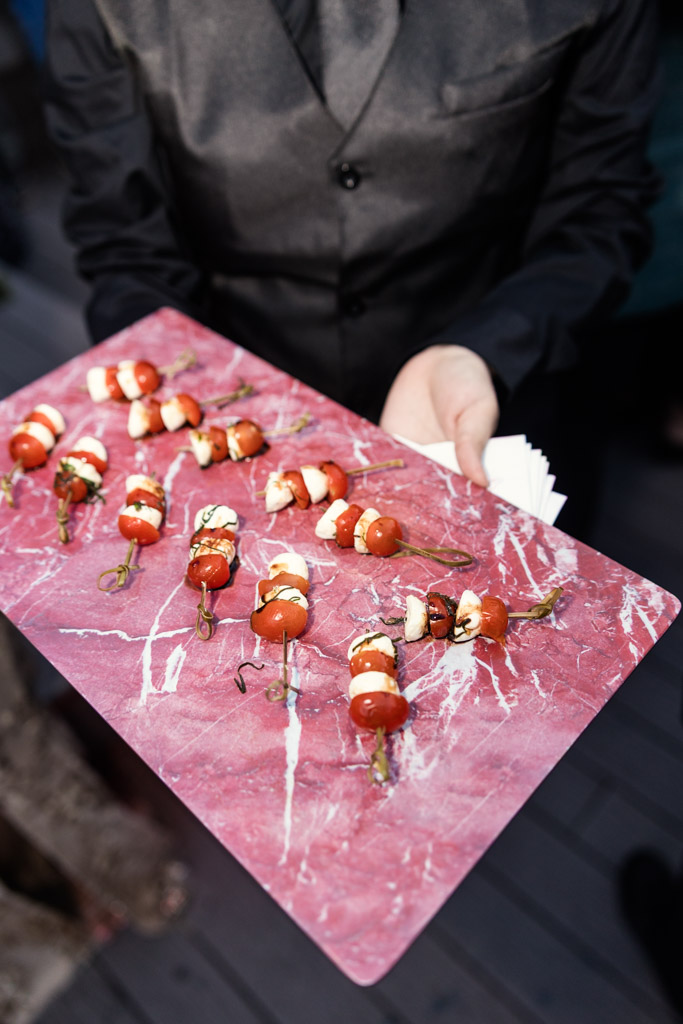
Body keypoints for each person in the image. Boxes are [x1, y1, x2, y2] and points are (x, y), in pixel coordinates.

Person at [42, 0, 659, 489]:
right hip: (224, 418)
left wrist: (489, 348)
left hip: (486, 410)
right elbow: (124, 238)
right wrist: (179, 394)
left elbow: (600, 210)